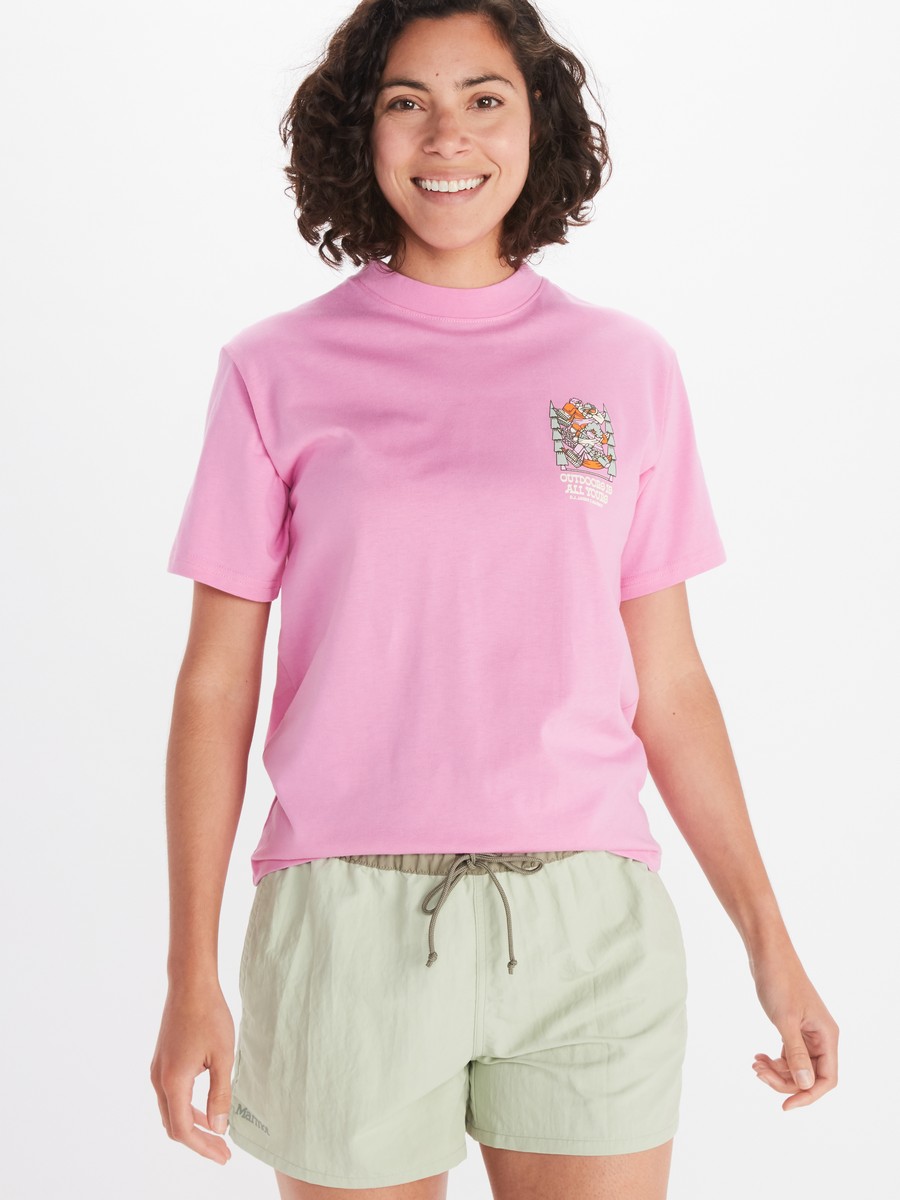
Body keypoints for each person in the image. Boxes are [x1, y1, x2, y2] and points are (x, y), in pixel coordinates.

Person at [150, 2, 840, 1197]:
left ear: (539, 124)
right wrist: (188, 975)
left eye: (484, 98)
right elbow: (216, 685)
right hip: (348, 921)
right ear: (359, 132)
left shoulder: (622, 370)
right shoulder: (274, 371)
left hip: (590, 925)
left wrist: (771, 944)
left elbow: (670, 683)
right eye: (405, 102)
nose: (447, 136)